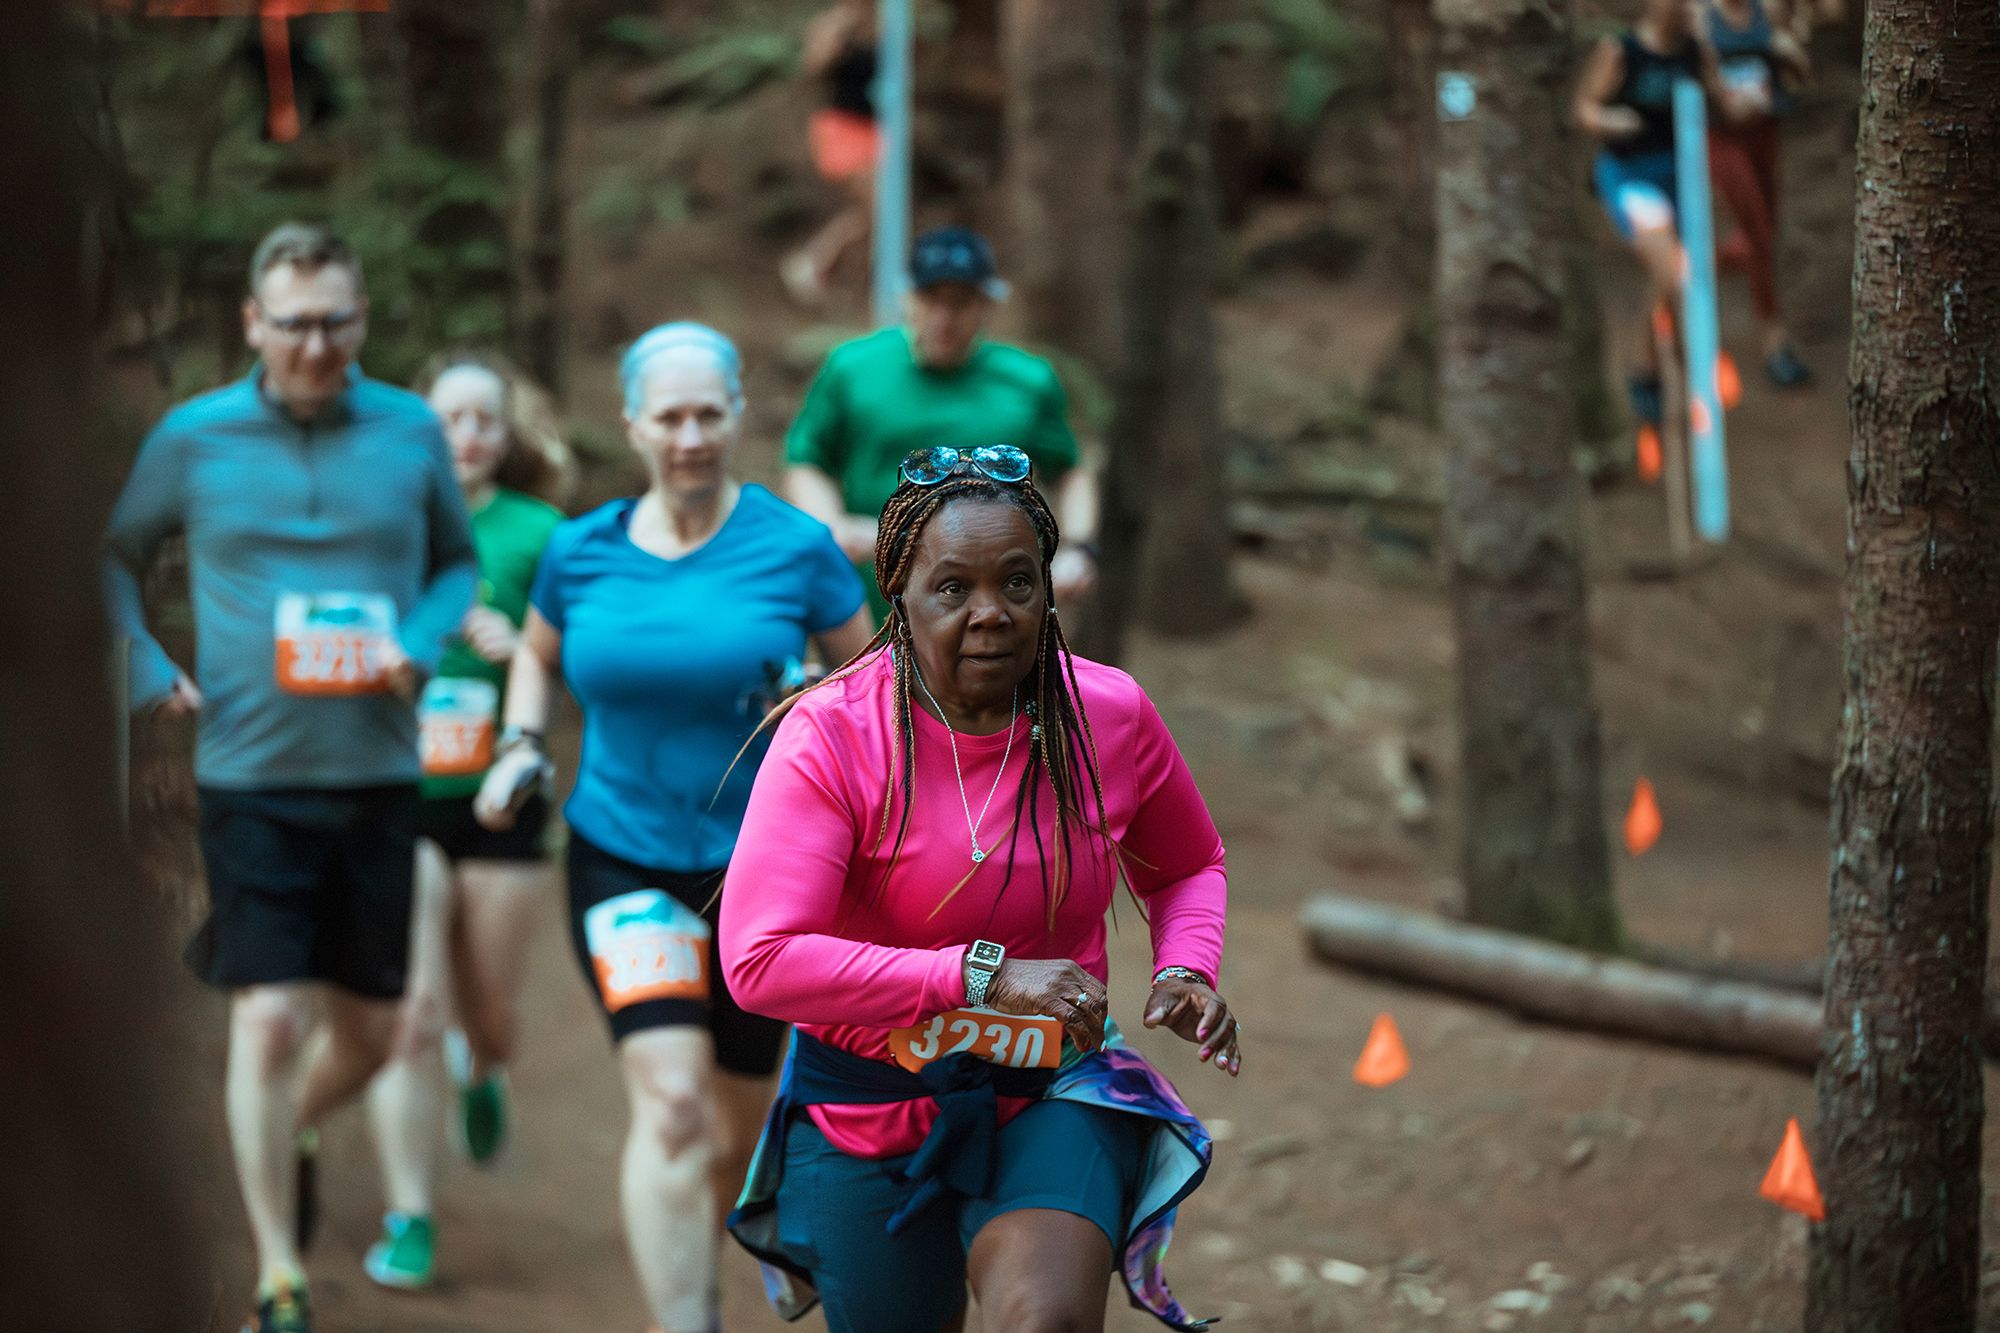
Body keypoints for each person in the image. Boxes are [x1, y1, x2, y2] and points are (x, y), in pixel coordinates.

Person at [720, 446, 1238, 1333]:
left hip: (1051, 1086)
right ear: (900, 597)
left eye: (1018, 582)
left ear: (1049, 589)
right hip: (868, 1102)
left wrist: (1184, 965)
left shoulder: (1107, 716)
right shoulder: (833, 736)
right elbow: (762, 960)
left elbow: (1189, 863)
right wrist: (983, 976)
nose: (992, 612)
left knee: (1046, 1319)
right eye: (953, 588)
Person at [103, 223, 477, 1333]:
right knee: (266, 1015)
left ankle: (297, 1124)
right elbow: (113, 553)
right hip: (249, 774)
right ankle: (278, 1271)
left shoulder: (410, 431)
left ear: (360, 320)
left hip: (375, 770)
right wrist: (147, 663)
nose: (316, 343)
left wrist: (420, 633)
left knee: (371, 1028)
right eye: (294, 321)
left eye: (336, 321)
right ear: (253, 322)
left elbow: (455, 562)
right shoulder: (196, 436)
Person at [470, 322, 875, 1333]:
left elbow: (874, 681)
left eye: (708, 414)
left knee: (741, 1121)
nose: (690, 435)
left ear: (737, 415)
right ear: (633, 424)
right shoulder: (580, 550)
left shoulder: (795, 546)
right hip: (621, 858)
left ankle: (756, 1214)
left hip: (768, 875)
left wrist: (819, 699)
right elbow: (535, 650)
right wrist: (521, 738)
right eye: (669, 416)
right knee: (673, 1102)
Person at [328, 353, 571, 1291]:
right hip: (400, 797)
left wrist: (523, 651)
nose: (466, 434)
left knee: (491, 1014)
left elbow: (580, 657)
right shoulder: (379, 524)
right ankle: (411, 1214)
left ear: (505, 436)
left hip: (501, 797)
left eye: (485, 420)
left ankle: (486, 1067)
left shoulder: (543, 531)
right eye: (450, 417)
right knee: (412, 1014)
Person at [784, 226, 1100, 619]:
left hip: (996, 607)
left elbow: (1070, 471)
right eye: (931, 298)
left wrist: (1079, 548)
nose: (944, 316)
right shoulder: (852, 368)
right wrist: (831, 526)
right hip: (873, 597)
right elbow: (807, 460)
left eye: (961, 302)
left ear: (988, 303)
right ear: (906, 296)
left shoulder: (1028, 380)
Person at [1575, 0, 1754, 427]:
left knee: (1669, 278)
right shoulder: (1621, 51)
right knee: (1674, 271)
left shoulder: (1696, 50)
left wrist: (1753, 99)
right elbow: (1585, 107)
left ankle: (1646, 368)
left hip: (1682, 176)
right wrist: (1609, 119)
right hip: (1631, 176)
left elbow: (1726, 106)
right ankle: (1702, 364)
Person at [1704, 0, 1814, 386]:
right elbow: (1691, 74)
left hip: (1763, 134)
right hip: (1720, 137)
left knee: (1765, 229)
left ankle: (1698, 267)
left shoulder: (1766, 12)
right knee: (1757, 229)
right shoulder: (1702, 16)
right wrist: (1725, 100)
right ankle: (1774, 340)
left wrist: (1790, 50)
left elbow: (1799, 77)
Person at [782, 0, 879, 307]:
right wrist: (839, 34)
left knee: (875, 214)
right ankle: (813, 259)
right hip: (844, 127)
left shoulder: (882, 24)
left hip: (876, 129)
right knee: (874, 207)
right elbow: (814, 67)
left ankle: (846, 279)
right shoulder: (834, 24)